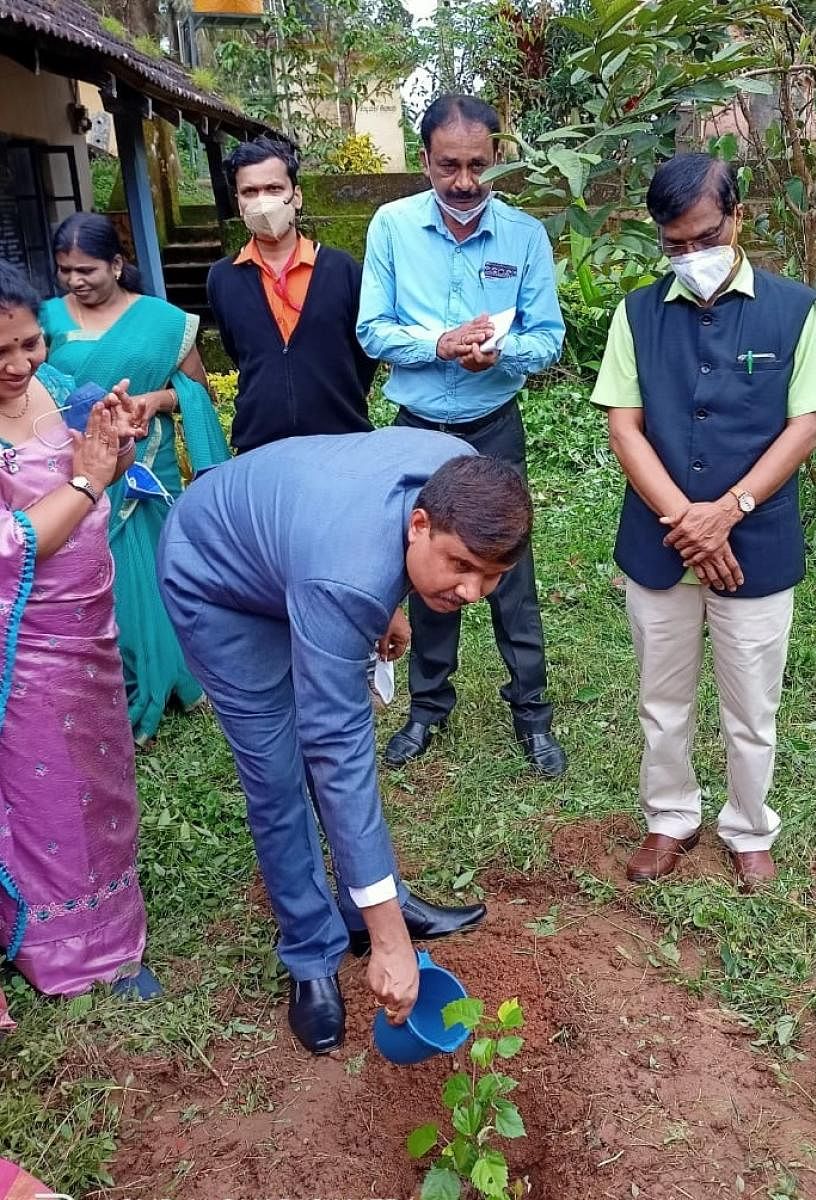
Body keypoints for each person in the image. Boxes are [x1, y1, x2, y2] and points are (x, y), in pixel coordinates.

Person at [157, 430, 533, 1054]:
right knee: (280, 772)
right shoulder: (345, 577)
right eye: (461, 566)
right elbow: (338, 748)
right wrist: (394, 948)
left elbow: (358, 556)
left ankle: (369, 905)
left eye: (491, 577)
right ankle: (311, 954)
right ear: (418, 524)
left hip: (305, 553)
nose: (472, 593)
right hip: (217, 577)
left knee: (330, 738)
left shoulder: (461, 472)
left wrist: (383, 597)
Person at [590, 153, 816, 891]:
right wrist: (686, 522)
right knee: (661, 698)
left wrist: (728, 512)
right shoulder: (636, 314)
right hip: (659, 542)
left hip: (756, 543)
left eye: (704, 237)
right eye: (673, 245)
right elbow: (624, 429)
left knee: (750, 703)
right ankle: (670, 817)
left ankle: (748, 825)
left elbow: (802, 428)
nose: (691, 257)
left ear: (737, 217)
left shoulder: (794, 310)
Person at [357, 94, 567, 778]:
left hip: (491, 429)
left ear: (496, 156)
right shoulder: (390, 227)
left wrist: (497, 355)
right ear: (423, 161)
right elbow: (372, 329)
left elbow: (548, 336)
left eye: (478, 164)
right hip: (416, 431)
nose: (464, 181)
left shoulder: (522, 236)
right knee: (428, 572)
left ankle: (531, 714)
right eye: (448, 165)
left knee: (509, 571)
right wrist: (439, 344)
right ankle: (426, 708)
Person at [0, 262, 158, 1000]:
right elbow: (14, 541)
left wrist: (113, 446)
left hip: (88, 625)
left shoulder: (45, 388)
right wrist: (90, 478)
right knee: (47, 793)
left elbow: (83, 475)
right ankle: (62, 949)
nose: (18, 365)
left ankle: (113, 931)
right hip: (21, 648)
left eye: (30, 344)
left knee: (101, 781)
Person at [39, 213, 230, 744]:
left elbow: (198, 392)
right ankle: (111, 679)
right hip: (74, 467)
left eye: (87, 269)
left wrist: (157, 399)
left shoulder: (166, 321)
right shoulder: (46, 319)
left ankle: (171, 675)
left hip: (148, 465)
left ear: (117, 265)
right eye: (64, 270)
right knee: (95, 571)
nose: (75, 280)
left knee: (159, 569)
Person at [207, 136, 376, 454]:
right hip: (260, 446)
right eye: (250, 192)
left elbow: (364, 351)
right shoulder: (223, 278)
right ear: (238, 201)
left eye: (274, 189)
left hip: (341, 441)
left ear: (295, 196)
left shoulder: (341, 269)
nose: (262, 201)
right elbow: (240, 351)